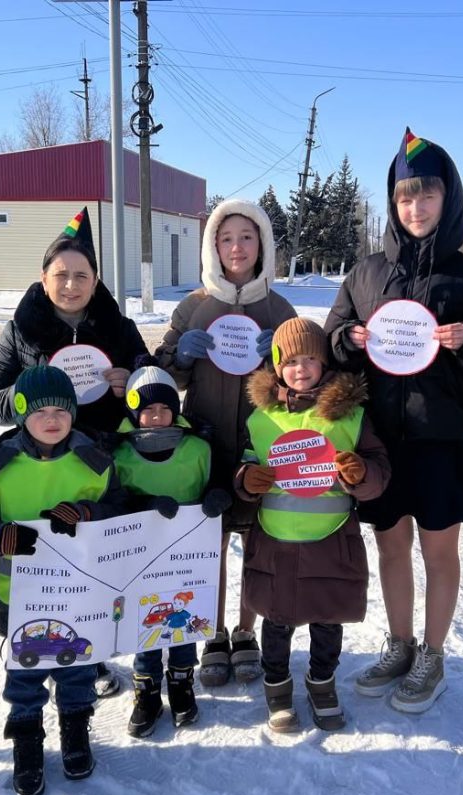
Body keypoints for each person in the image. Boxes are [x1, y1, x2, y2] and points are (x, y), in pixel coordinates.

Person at [323, 129, 463, 713]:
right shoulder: (365, 274)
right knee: (390, 547)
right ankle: (400, 643)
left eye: (427, 195)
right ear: (393, 202)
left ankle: (433, 655)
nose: (416, 207)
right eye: (406, 197)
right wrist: (349, 340)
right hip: (380, 440)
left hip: (439, 439)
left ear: (448, 198)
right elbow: (330, 340)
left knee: (438, 551)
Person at [0, 207, 145, 698]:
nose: (71, 284)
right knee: (42, 559)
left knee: (93, 561)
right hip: (40, 463)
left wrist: (128, 383)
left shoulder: (119, 327)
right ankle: (30, 647)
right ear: (43, 277)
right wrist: (31, 395)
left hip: (99, 463)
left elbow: (150, 387)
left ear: (95, 280)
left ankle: (86, 655)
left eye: (82, 275)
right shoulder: (20, 330)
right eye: (61, 275)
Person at [0, 365, 130, 795]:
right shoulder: (0, 467)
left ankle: (75, 727)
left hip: (81, 591)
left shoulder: (94, 461)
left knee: (75, 666)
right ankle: (27, 739)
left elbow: (119, 510)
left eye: (61, 409)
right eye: (40, 412)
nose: (52, 419)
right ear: (20, 414)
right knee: (26, 670)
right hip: (18, 595)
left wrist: (89, 515)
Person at [155, 199, 297, 687]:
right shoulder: (194, 305)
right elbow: (163, 375)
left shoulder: (279, 308)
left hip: (262, 446)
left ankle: (244, 630)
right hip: (206, 443)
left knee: (258, 541)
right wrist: (180, 352)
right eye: (226, 238)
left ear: (263, 246)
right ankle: (213, 631)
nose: (236, 247)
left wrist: (284, 355)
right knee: (208, 542)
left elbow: (305, 382)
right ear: (212, 246)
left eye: (247, 237)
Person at [234, 318, 390, 732]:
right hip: (275, 542)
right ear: (276, 365)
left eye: (310, 359)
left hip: (331, 539)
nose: (300, 368)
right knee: (277, 619)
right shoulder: (261, 418)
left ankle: (322, 683)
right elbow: (246, 466)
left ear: (324, 363)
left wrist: (361, 474)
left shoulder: (351, 416)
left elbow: (380, 469)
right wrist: (245, 481)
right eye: (290, 361)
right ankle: (277, 688)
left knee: (326, 619)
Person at [112, 360, 233, 737]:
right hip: (141, 558)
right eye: (148, 409)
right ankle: (146, 691)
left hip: (187, 558)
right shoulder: (119, 453)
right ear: (134, 412)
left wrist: (218, 496)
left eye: (166, 408)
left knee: (184, 624)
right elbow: (112, 501)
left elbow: (219, 480)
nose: (158, 416)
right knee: (147, 626)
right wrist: (142, 505)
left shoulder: (197, 446)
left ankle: (181, 683)